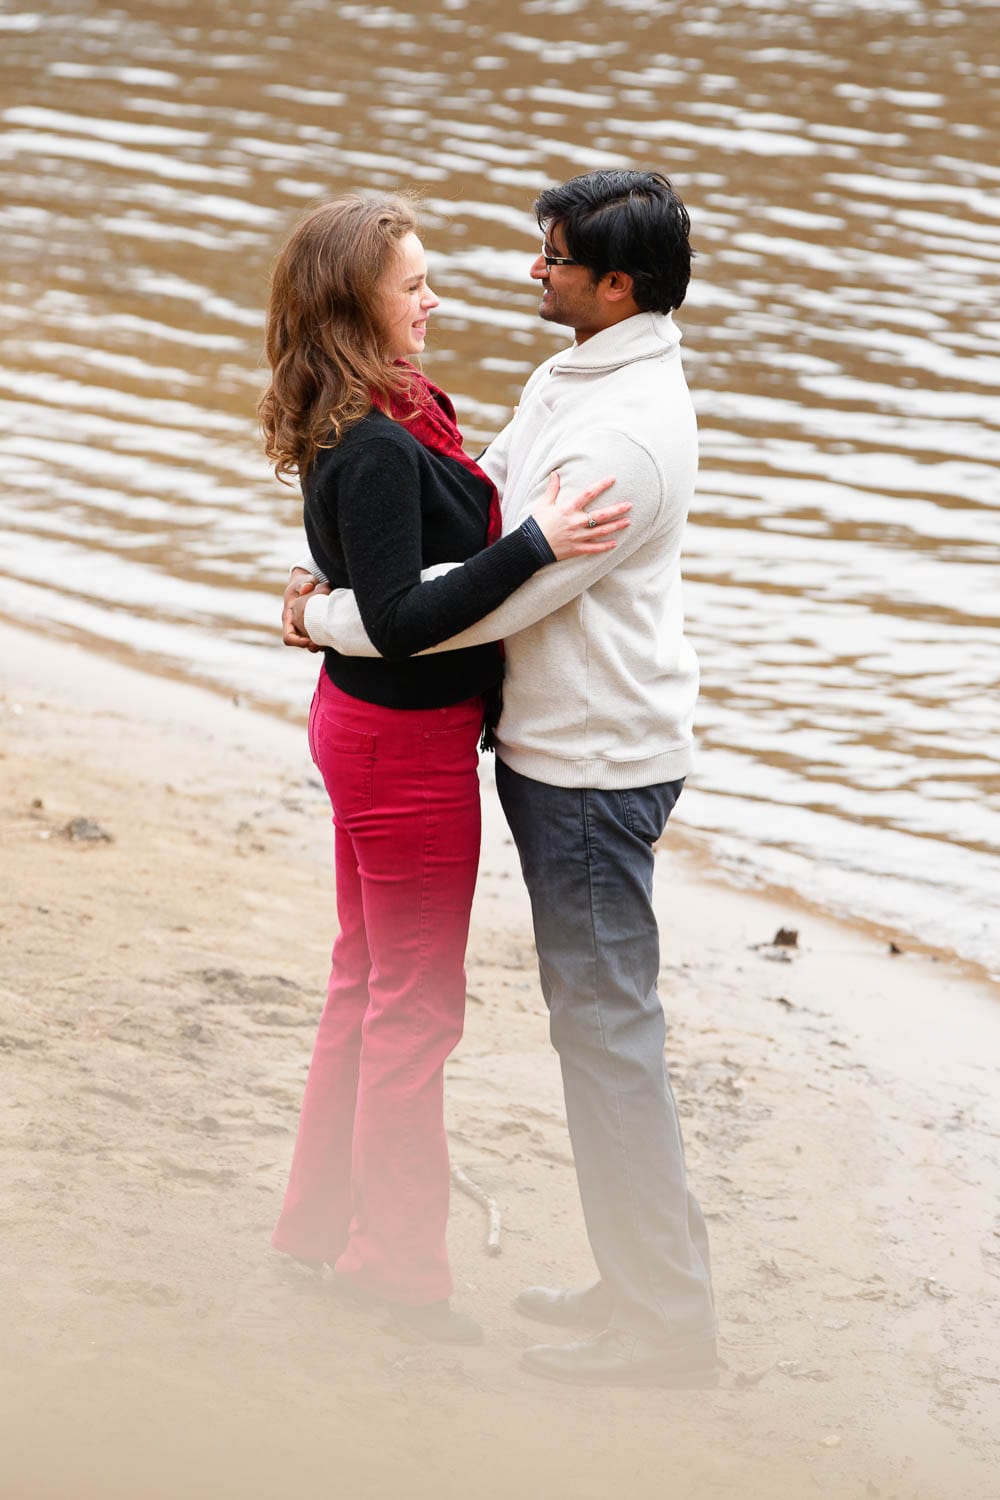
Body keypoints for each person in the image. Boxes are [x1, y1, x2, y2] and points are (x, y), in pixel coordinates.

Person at [284, 170, 719, 1387]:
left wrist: (321, 619)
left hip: (590, 765)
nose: (532, 270)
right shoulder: (572, 374)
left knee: (605, 1032)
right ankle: (635, 1286)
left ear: (616, 286)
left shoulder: (625, 436)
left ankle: (662, 1319)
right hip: (524, 746)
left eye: (554, 256)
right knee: (585, 1028)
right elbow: (469, 506)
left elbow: (491, 599)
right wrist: (355, 595)